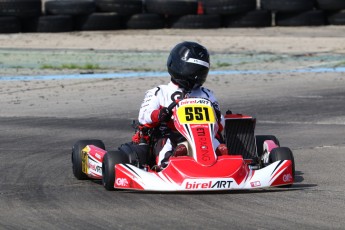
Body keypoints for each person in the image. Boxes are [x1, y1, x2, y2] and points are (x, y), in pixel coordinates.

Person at [135, 41, 228, 169]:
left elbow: (221, 125)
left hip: (203, 136)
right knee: (167, 143)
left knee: (215, 142)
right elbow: (143, 116)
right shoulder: (160, 92)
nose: (196, 75)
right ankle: (168, 162)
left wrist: (217, 116)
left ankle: (223, 158)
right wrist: (159, 115)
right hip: (170, 134)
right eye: (193, 70)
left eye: (200, 71)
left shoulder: (206, 94)